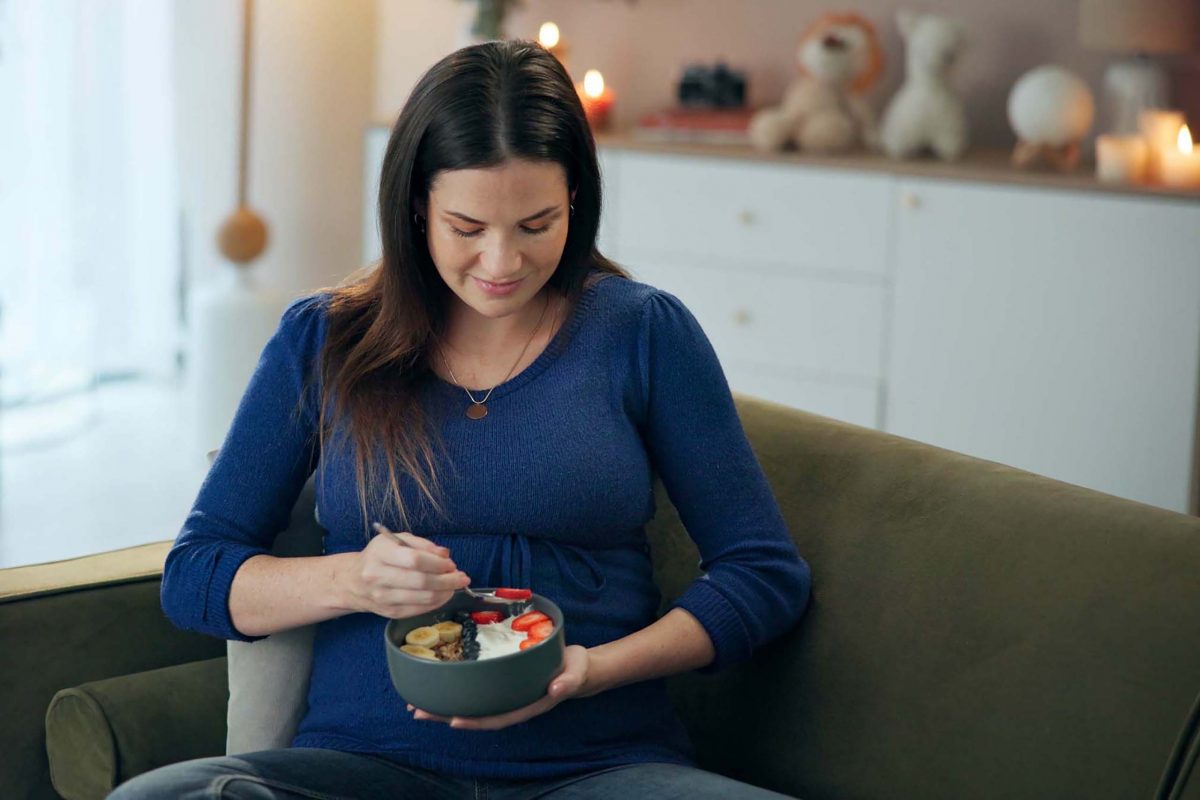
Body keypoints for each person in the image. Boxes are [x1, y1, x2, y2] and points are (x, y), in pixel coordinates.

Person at [110, 39, 811, 800]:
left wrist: (591, 672)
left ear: (576, 196)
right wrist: (352, 580)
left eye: (536, 224)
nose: (502, 262)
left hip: (605, 767)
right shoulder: (324, 339)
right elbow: (196, 575)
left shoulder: (642, 332)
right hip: (359, 771)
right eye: (468, 227)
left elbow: (763, 574)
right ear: (418, 206)